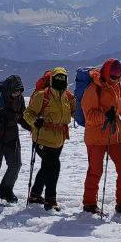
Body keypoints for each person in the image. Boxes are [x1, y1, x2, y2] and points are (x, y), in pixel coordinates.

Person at [81, 59, 121, 214]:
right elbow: (89, 116)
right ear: (106, 73)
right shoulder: (93, 89)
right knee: (95, 171)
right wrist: (105, 115)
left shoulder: (118, 88)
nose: (116, 78)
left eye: (118, 75)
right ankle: (89, 204)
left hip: (116, 135)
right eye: (113, 75)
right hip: (96, 137)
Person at [26, 69, 74, 211]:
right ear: (52, 80)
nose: (60, 81)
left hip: (58, 140)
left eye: (63, 79)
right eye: (58, 79)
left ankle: (35, 195)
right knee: (54, 167)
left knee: (47, 166)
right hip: (42, 139)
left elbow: (72, 113)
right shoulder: (42, 96)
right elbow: (28, 113)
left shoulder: (67, 97)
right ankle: (50, 200)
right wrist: (36, 121)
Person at [0, 75, 29, 207]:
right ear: (9, 89)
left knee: (16, 165)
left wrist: (32, 127)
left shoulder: (19, 99)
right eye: (15, 91)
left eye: (19, 91)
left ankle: (5, 191)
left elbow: (21, 117)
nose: (17, 93)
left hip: (11, 137)